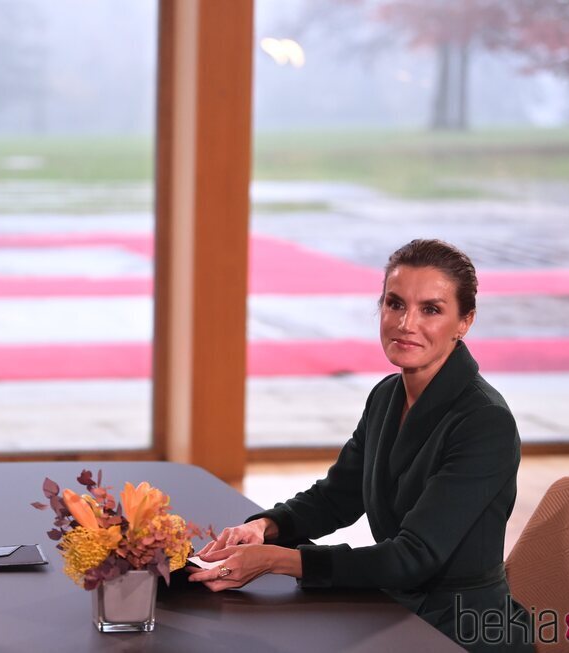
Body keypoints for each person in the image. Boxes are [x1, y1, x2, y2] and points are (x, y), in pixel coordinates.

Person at [189, 239, 533, 652]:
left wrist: (276, 560)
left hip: (460, 628)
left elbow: (413, 557)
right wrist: (266, 527)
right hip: (393, 607)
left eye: (431, 309)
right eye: (395, 303)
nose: (406, 323)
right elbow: (338, 497)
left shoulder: (484, 421)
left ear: (465, 322)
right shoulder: (387, 395)